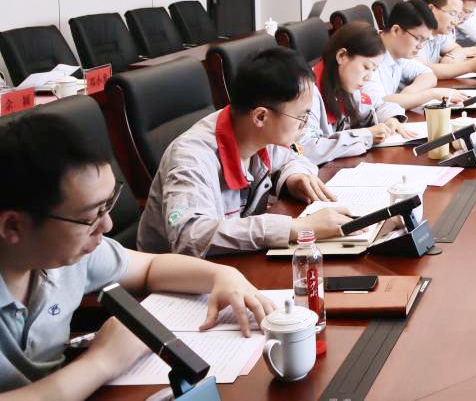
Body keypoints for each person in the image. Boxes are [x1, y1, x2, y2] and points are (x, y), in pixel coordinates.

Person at [0, 114, 276, 398]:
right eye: (89, 216)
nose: (107, 225)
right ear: (13, 227)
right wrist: (101, 362)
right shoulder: (62, 252)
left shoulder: (65, 255)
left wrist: (221, 275)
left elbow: (150, 267)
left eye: (107, 206)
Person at [138, 47, 351, 257]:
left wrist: (293, 177)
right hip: (177, 274)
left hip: (232, 262)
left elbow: (291, 158)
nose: (304, 125)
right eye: (301, 117)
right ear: (260, 116)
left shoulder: (255, 131)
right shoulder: (191, 157)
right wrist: (294, 228)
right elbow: (189, 236)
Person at [302, 21, 413, 164]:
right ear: (341, 56)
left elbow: (377, 106)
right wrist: (367, 136)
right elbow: (307, 149)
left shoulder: (346, 86)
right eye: (366, 67)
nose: (368, 77)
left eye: (373, 70)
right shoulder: (307, 94)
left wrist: (391, 119)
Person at [364, 0, 467, 119]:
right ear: (396, 30)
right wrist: (432, 94)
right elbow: (380, 103)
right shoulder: (369, 57)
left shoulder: (399, 51)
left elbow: (428, 75)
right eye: (418, 38)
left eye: (425, 40)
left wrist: (408, 95)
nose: (420, 46)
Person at [415, 0, 476, 78]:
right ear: (432, 9)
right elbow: (422, 70)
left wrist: (450, 57)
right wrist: (469, 66)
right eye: (452, 14)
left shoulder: (439, 32)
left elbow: (457, 49)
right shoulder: (416, 33)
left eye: (457, 15)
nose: (455, 22)